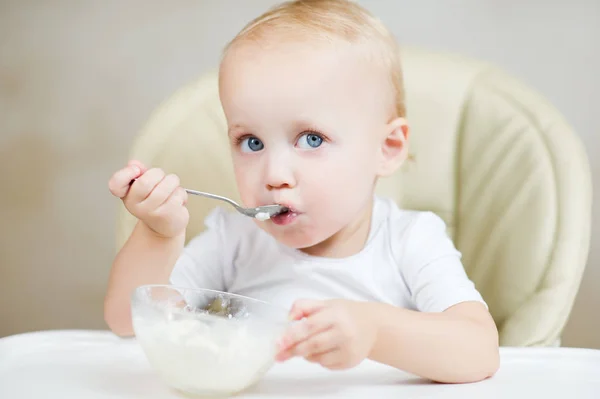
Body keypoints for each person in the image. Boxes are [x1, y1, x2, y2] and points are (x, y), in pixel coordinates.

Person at [105, 0, 499, 383]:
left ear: (387, 148)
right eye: (252, 142)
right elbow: (127, 321)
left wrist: (375, 331)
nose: (275, 175)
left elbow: (479, 351)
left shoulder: (409, 241)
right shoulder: (234, 240)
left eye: (311, 139)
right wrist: (158, 234)